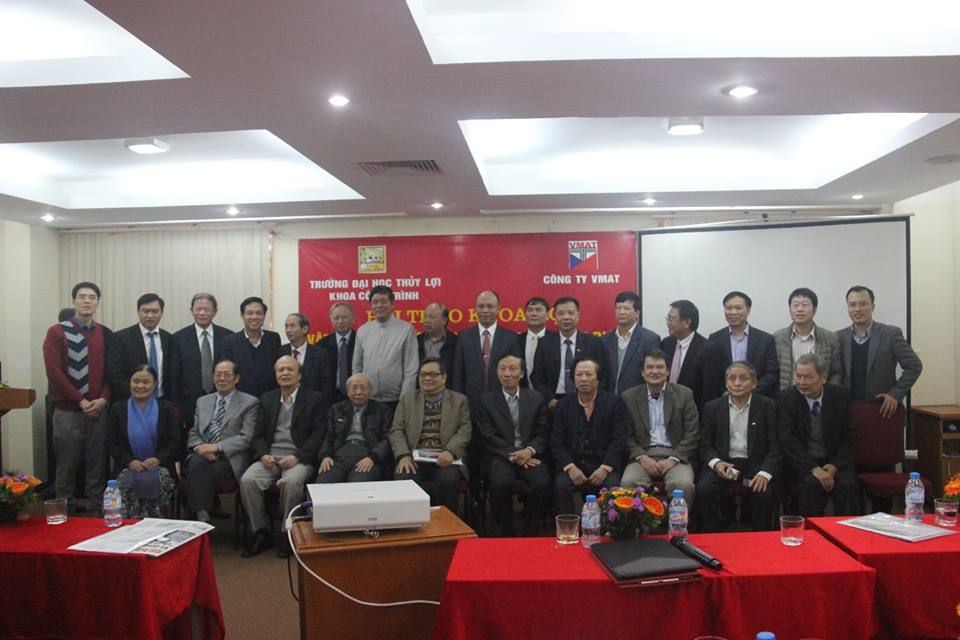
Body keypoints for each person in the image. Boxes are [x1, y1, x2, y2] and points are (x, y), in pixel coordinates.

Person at [240, 356, 328, 558]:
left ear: (299, 375)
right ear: (275, 375)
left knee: (291, 482)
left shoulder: (315, 399)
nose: (285, 373)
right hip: (270, 458)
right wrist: (263, 454)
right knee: (248, 480)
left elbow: (319, 435)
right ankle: (261, 532)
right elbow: (258, 435)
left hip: (299, 458)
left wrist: (297, 456)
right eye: (280, 370)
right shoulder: (267, 399)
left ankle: (288, 534)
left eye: (290, 369)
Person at [43, 281, 114, 512]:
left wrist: (103, 399)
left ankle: (96, 506)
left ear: (98, 303)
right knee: (66, 463)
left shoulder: (105, 333)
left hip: (97, 409)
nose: (87, 301)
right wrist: (79, 400)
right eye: (82, 296)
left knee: (97, 462)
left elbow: (110, 372)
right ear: (74, 300)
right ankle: (65, 506)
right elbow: (54, 372)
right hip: (67, 411)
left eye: (92, 297)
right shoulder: (56, 332)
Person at [696, 361, 781, 532]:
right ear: (726, 383)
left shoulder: (767, 406)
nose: (737, 383)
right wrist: (716, 463)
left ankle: (761, 539)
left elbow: (776, 447)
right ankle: (711, 538)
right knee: (704, 490)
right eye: (732, 378)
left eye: (743, 378)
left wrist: (764, 473)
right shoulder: (712, 407)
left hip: (755, 465)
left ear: (754, 383)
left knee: (764, 493)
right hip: (724, 463)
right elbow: (705, 444)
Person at [476, 354, 550, 537]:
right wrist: (516, 455)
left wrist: (529, 450)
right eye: (502, 369)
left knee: (541, 482)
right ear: (497, 373)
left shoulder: (536, 398)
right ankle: (505, 532)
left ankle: (532, 532)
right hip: (502, 455)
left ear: (522, 373)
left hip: (531, 454)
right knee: (500, 483)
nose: (507, 374)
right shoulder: (486, 400)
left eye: (512, 368)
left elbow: (543, 432)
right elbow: (488, 435)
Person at [778, 353, 858, 517]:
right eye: (798, 376)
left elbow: (850, 435)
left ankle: (843, 531)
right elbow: (787, 440)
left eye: (808, 377)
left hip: (835, 461)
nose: (802, 382)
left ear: (823, 377)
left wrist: (835, 465)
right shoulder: (787, 397)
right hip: (803, 463)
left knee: (847, 486)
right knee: (810, 486)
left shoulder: (840, 395)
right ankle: (812, 530)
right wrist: (813, 468)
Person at [390, 357, 471, 514]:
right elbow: (396, 430)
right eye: (423, 374)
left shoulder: (459, 400)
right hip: (414, 458)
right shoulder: (407, 399)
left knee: (447, 480)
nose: (427, 378)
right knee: (404, 478)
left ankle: (445, 523)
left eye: (433, 374)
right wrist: (403, 456)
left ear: (444, 377)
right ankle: (411, 524)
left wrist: (450, 452)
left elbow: (465, 429)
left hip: (445, 457)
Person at [620, 349, 699, 506]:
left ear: (668, 371)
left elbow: (693, 433)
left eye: (660, 367)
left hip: (676, 457)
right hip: (642, 456)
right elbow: (625, 434)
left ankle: (677, 522)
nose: (655, 371)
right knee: (628, 482)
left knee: (683, 485)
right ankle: (638, 522)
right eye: (650, 367)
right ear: (642, 372)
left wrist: (673, 459)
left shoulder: (684, 394)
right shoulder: (629, 397)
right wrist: (642, 457)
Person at [550, 357, 629, 514]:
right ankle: (569, 526)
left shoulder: (614, 402)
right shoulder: (563, 405)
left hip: (603, 463)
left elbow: (620, 439)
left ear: (598, 378)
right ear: (573, 378)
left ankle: (607, 527)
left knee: (612, 487)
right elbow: (556, 441)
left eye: (588, 374)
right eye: (579, 374)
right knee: (561, 486)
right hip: (573, 463)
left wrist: (605, 468)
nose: (583, 379)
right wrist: (570, 467)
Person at [183, 360, 259, 522]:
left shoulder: (250, 402)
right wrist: (199, 448)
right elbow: (194, 432)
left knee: (195, 473)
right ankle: (202, 515)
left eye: (226, 375)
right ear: (213, 378)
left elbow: (247, 437)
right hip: (202, 454)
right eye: (218, 375)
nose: (222, 379)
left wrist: (216, 447)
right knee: (197, 464)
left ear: (236, 378)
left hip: (229, 458)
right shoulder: (202, 401)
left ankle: (198, 518)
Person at [837, 285, 922, 418]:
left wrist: (895, 394)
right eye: (852, 305)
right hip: (847, 411)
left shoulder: (891, 334)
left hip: (881, 410)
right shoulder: (838, 337)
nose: (857, 309)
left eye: (863, 304)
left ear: (873, 306)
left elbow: (914, 366)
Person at [108, 365, 179, 518]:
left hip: (160, 466)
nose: (140, 386)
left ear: (154, 384)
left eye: (146, 382)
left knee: (160, 481)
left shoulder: (167, 408)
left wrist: (157, 459)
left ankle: (156, 524)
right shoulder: (117, 409)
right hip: (127, 466)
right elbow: (111, 444)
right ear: (129, 382)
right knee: (125, 483)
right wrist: (130, 461)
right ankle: (129, 525)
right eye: (136, 381)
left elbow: (175, 442)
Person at [531, 296, 608, 409]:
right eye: (561, 313)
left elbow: (603, 376)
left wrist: (591, 399)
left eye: (571, 313)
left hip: (586, 400)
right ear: (555, 317)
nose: (566, 317)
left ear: (578, 316)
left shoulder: (593, 342)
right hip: (554, 401)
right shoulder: (545, 343)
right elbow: (537, 377)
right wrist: (550, 399)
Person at [316, 373, 394, 483]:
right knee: (323, 483)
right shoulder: (336, 409)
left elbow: (387, 439)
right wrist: (325, 456)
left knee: (359, 484)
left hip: (368, 454)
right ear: (348, 391)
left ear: (370, 391)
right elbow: (328, 436)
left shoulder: (383, 411)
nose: (358, 392)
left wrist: (373, 458)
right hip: (340, 455)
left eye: (363, 388)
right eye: (354, 388)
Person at [172, 293, 232, 432]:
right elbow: (174, 375)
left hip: (222, 399)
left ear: (215, 311)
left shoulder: (228, 337)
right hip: (188, 402)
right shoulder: (178, 338)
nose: (202, 313)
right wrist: (175, 405)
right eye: (198, 309)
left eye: (207, 309)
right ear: (191, 310)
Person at [352, 285, 419, 411]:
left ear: (392, 304)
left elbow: (411, 368)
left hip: (396, 400)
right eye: (375, 302)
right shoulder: (363, 331)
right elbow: (357, 366)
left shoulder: (406, 329)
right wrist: (358, 392)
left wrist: (405, 399)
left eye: (383, 301)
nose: (379, 306)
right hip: (368, 399)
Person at [708, 291, 779, 397]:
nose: (733, 312)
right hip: (725, 398)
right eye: (729, 308)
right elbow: (712, 373)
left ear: (748, 310)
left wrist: (750, 391)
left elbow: (771, 373)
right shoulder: (715, 338)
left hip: (757, 397)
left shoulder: (765, 339)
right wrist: (726, 392)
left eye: (738, 308)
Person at [108, 293, 176, 401]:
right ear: (138, 311)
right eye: (145, 311)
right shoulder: (121, 338)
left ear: (162, 313)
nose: (150, 315)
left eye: (155, 311)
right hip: (130, 400)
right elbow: (115, 372)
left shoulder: (169, 338)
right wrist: (137, 395)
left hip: (162, 401)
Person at [661, 299, 724, 412]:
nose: (668, 323)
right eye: (668, 318)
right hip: (666, 411)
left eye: (671, 319)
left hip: (693, 412)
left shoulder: (708, 349)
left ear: (687, 322)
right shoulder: (666, 343)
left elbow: (710, 391)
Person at [773, 288, 842, 390]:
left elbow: (836, 372)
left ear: (814, 310)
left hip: (819, 395)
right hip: (786, 395)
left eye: (805, 305)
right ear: (790, 310)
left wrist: (828, 393)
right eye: (795, 305)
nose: (800, 309)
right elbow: (773, 372)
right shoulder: (778, 338)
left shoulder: (830, 338)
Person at [220, 296, 282, 398]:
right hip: (241, 399)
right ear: (242, 316)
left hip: (270, 399)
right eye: (249, 313)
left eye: (259, 313)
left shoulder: (273, 338)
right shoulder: (230, 342)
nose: (254, 317)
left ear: (264, 316)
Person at [601, 291, 661, 394]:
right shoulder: (605, 339)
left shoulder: (650, 339)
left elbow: (652, 373)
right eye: (618, 308)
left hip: (637, 398)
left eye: (626, 308)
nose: (621, 312)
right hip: (610, 398)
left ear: (637, 313)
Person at [280, 312, 333, 401]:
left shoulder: (320, 354)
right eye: (286, 326)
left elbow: (326, 385)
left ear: (305, 329)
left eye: (292, 326)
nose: (288, 330)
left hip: (313, 403)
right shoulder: (280, 352)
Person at [316, 302, 357, 404]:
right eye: (336, 318)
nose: (340, 321)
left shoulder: (361, 341)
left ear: (353, 318)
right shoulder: (321, 345)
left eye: (344, 317)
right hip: (330, 396)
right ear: (331, 320)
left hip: (356, 394)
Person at [417, 302, 457, 386]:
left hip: (448, 390)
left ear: (444, 320)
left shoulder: (456, 342)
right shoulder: (416, 341)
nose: (426, 320)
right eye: (425, 316)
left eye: (432, 317)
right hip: (421, 390)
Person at [516, 296, 554, 382]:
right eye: (530, 310)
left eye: (538, 310)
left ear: (547, 314)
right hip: (523, 389)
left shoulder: (556, 340)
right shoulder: (516, 340)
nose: (533, 313)